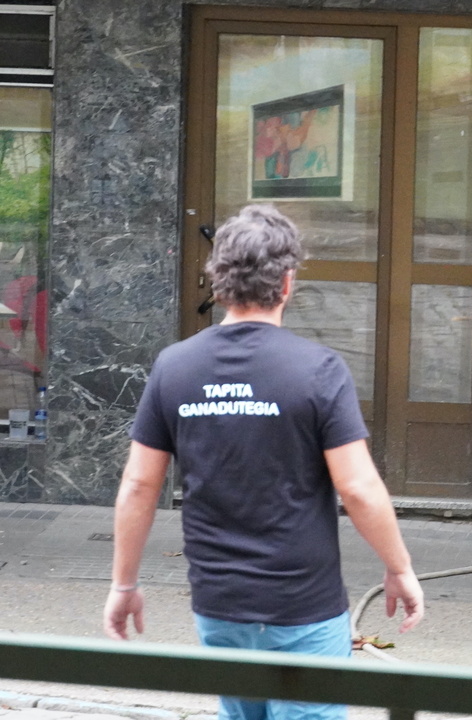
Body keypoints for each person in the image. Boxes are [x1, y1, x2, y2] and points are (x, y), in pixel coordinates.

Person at [103, 204, 424, 720]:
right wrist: (399, 567)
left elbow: (140, 486)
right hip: (303, 606)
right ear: (287, 283)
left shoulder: (173, 367)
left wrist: (124, 585)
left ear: (219, 282)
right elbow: (359, 489)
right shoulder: (319, 370)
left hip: (219, 605)